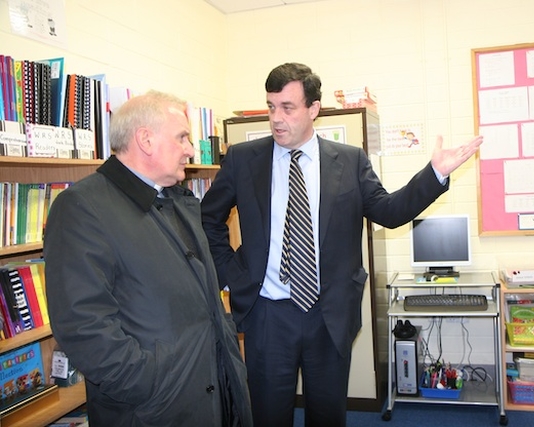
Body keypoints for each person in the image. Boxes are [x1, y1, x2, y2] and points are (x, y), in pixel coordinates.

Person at [200, 62, 483, 427]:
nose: (276, 118)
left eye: (288, 107)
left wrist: (435, 175)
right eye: (271, 107)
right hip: (267, 316)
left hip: (328, 314)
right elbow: (209, 219)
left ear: (313, 109)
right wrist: (232, 274)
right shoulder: (244, 159)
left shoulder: (349, 161)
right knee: (268, 416)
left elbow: (390, 211)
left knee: (328, 416)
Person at [44, 90, 252, 427]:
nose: (190, 149)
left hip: (212, 390)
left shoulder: (178, 203)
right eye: (182, 137)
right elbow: (83, 325)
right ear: (145, 139)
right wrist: (151, 382)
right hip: (153, 408)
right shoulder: (83, 208)